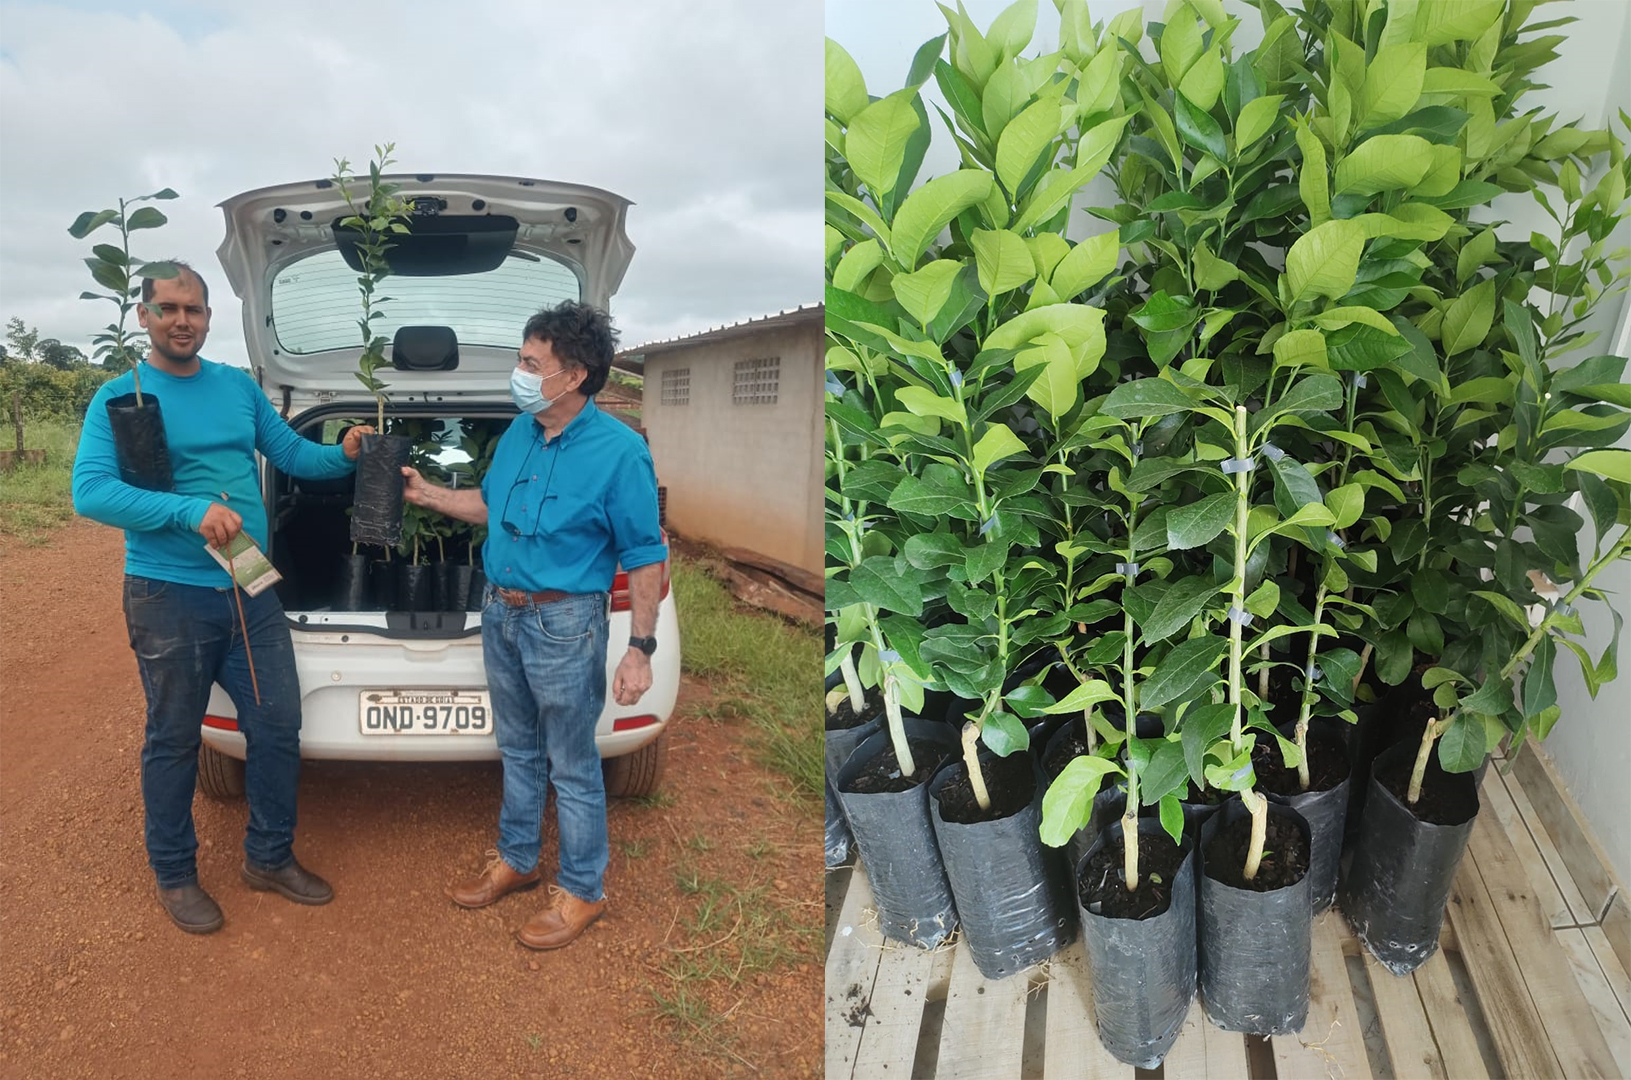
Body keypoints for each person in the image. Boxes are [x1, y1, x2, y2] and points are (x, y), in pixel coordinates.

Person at [72, 263, 373, 934]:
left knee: (276, 725)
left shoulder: (238, 388)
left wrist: (347, 453)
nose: (183, 320)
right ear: (144, 315)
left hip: (248, 582)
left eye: (195, 309)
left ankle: (267, 857)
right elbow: (89, 491)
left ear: (210, 318)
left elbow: (296, 458)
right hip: (167, 593)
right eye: (169, 307)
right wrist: (187, 511)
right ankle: (175, 873)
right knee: (174, 738)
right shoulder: (122, 398)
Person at [401, 300, 665, 950]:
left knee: (571, 765)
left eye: (529, 362)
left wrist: (639, 649)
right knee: (516, 749)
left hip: (565, 623)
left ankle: (581, 892)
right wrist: (428, 493)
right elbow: (490, 505)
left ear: (572, 375)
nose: (517, 373)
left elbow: (645, 555)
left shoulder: (620, 452)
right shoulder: (521, 431)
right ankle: (517, 860)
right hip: (502, 612)